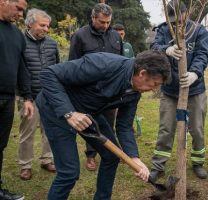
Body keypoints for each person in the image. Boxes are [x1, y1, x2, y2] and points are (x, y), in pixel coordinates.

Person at [36, 50, 170, 200]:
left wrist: (134, 157)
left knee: (112, 156)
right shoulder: (103, 64)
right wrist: (69, 113)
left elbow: (124, 126)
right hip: (56, 109)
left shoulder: (134, 93)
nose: (154, 89)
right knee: (69, 173)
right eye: (155, 84)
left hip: (88, 111)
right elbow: (49, 74)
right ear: (142, 73)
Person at [149, 0, 208, 181]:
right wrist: (165, 49)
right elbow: (153, 48)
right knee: (166, 128)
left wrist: (195, 73)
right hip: (170, 89)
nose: (176, 23)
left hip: (195, 89)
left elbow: (202, 54)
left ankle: (198, 163)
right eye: (172, 19)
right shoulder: (163, 29)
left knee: (197, 129)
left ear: (186, 13)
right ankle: (158, 166)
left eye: (179, 18)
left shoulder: (198, 30)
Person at [69, 3, 123, 171]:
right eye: (101, 22)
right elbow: (73, 65)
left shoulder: (115, 36)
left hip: (111, 90)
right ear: (93, 18)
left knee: (108, 123)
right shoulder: (80, 36)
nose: (105, 26)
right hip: (89, 91)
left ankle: (110, 154)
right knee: (91, 124)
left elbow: (121, 62)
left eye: (108, 22)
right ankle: (91, 156)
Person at [18, 8, 59, 181]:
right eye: (42, 25)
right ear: (29, 23)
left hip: (48, 95)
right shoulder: (19, 42)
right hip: (28, 96)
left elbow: (57, 66)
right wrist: (24, 95)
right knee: (27, 132)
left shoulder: (52, 43)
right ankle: (25, 165)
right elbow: (17, 71)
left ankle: (46, 159)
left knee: (49, 130)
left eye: (47, 26)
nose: (46, 29)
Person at [0, 0, 33, 199]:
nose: (20, 14)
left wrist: (28, 97)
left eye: (23, 10)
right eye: (18, 8)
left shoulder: (16, 35)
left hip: (7, 98)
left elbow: (22, 68)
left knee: (0, 145)